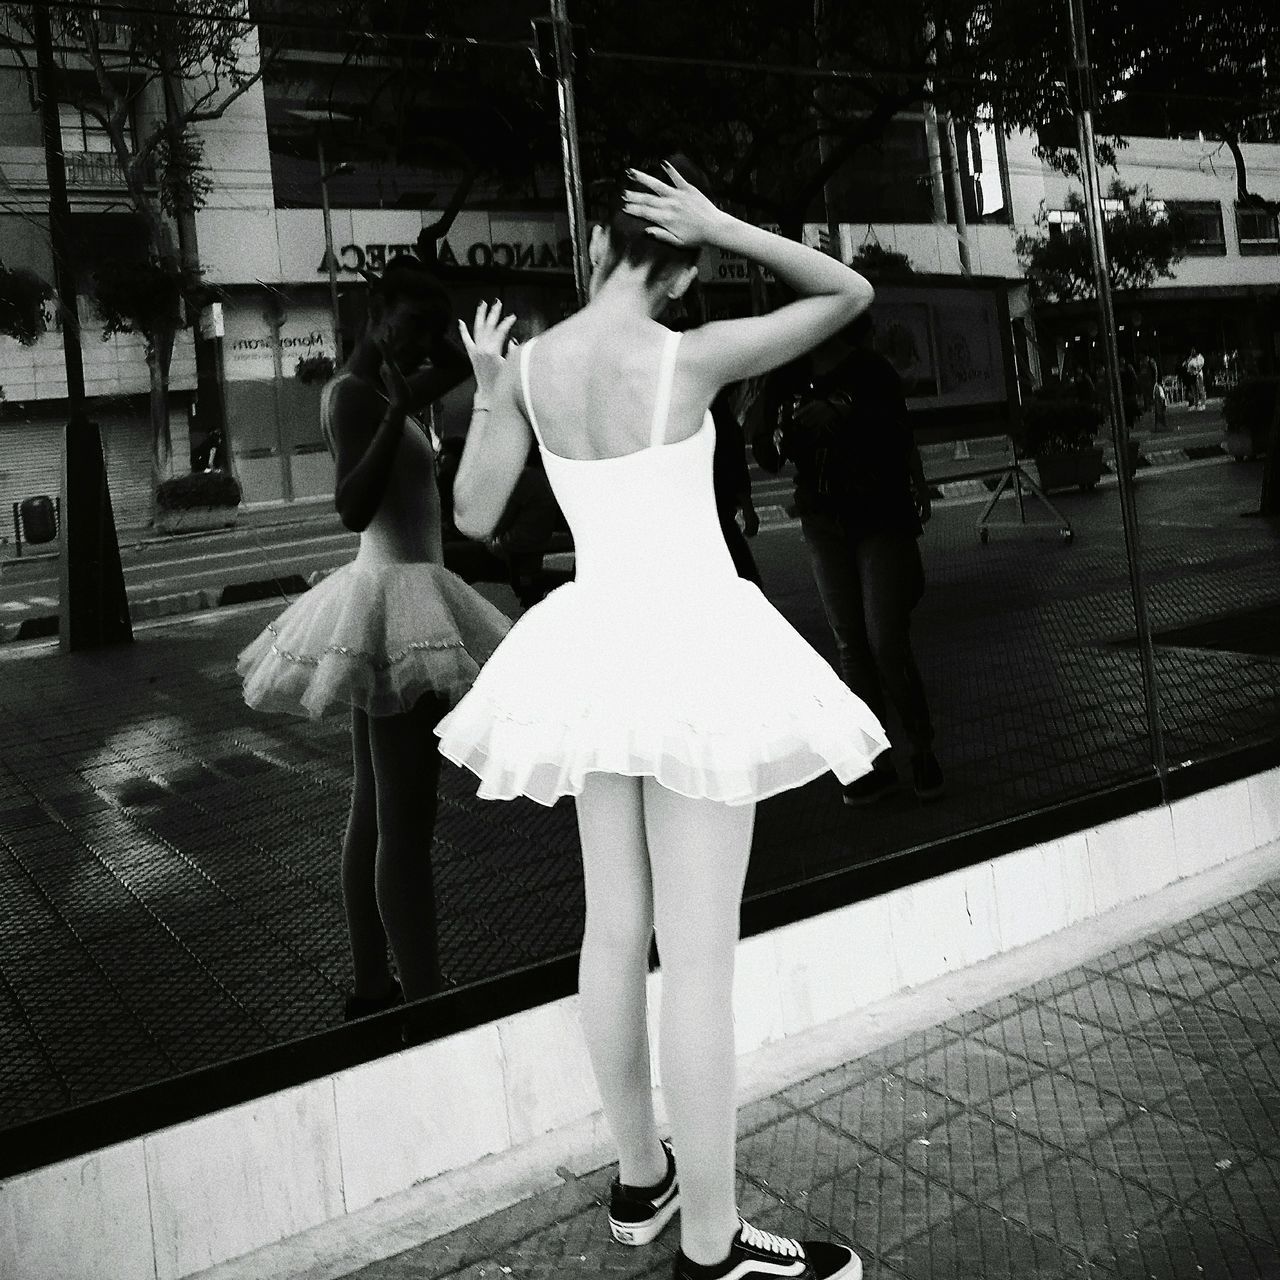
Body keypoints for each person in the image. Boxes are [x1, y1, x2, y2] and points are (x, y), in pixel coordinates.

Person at [437, 156, 886, 1280]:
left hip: (592, 650)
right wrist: (729, 221)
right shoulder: (686, 355)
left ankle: (641, 1178)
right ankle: (712, 1243)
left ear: (591, 252)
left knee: (608, 927)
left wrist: (491, 385)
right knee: (696, 962)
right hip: (689, 650)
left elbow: (474, 512)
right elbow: (845, 296)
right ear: (683, 272)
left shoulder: (533, 365)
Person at [237, 258, 512, 1018]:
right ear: (375, 310)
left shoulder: (384, 386)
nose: (426, 343)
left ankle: (372, 983)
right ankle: (425, 996)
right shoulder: (356, 396)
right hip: (392, 609)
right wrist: (401, 408)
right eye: (411, 323)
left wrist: (422, 375)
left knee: (376, 810)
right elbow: (354, 507)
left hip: (402, 595)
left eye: (431, 328)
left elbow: (414, 516)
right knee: (406, 815)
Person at [754, 312, 942, 806]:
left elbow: (898, 435)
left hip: (879, 516)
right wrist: (770, 423)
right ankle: (875, 763)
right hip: (823, 521)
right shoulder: (786, 375)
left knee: (885, 640)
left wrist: (843, 415)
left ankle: (922, 746)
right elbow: (770, 455)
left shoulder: (870, 371)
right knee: (850, 646)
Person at [710, 386, 762, 586]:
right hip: (720, 505)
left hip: (711, 503)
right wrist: (747, 507)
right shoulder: (723, 419)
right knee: (744, 574)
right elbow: (734, 463)